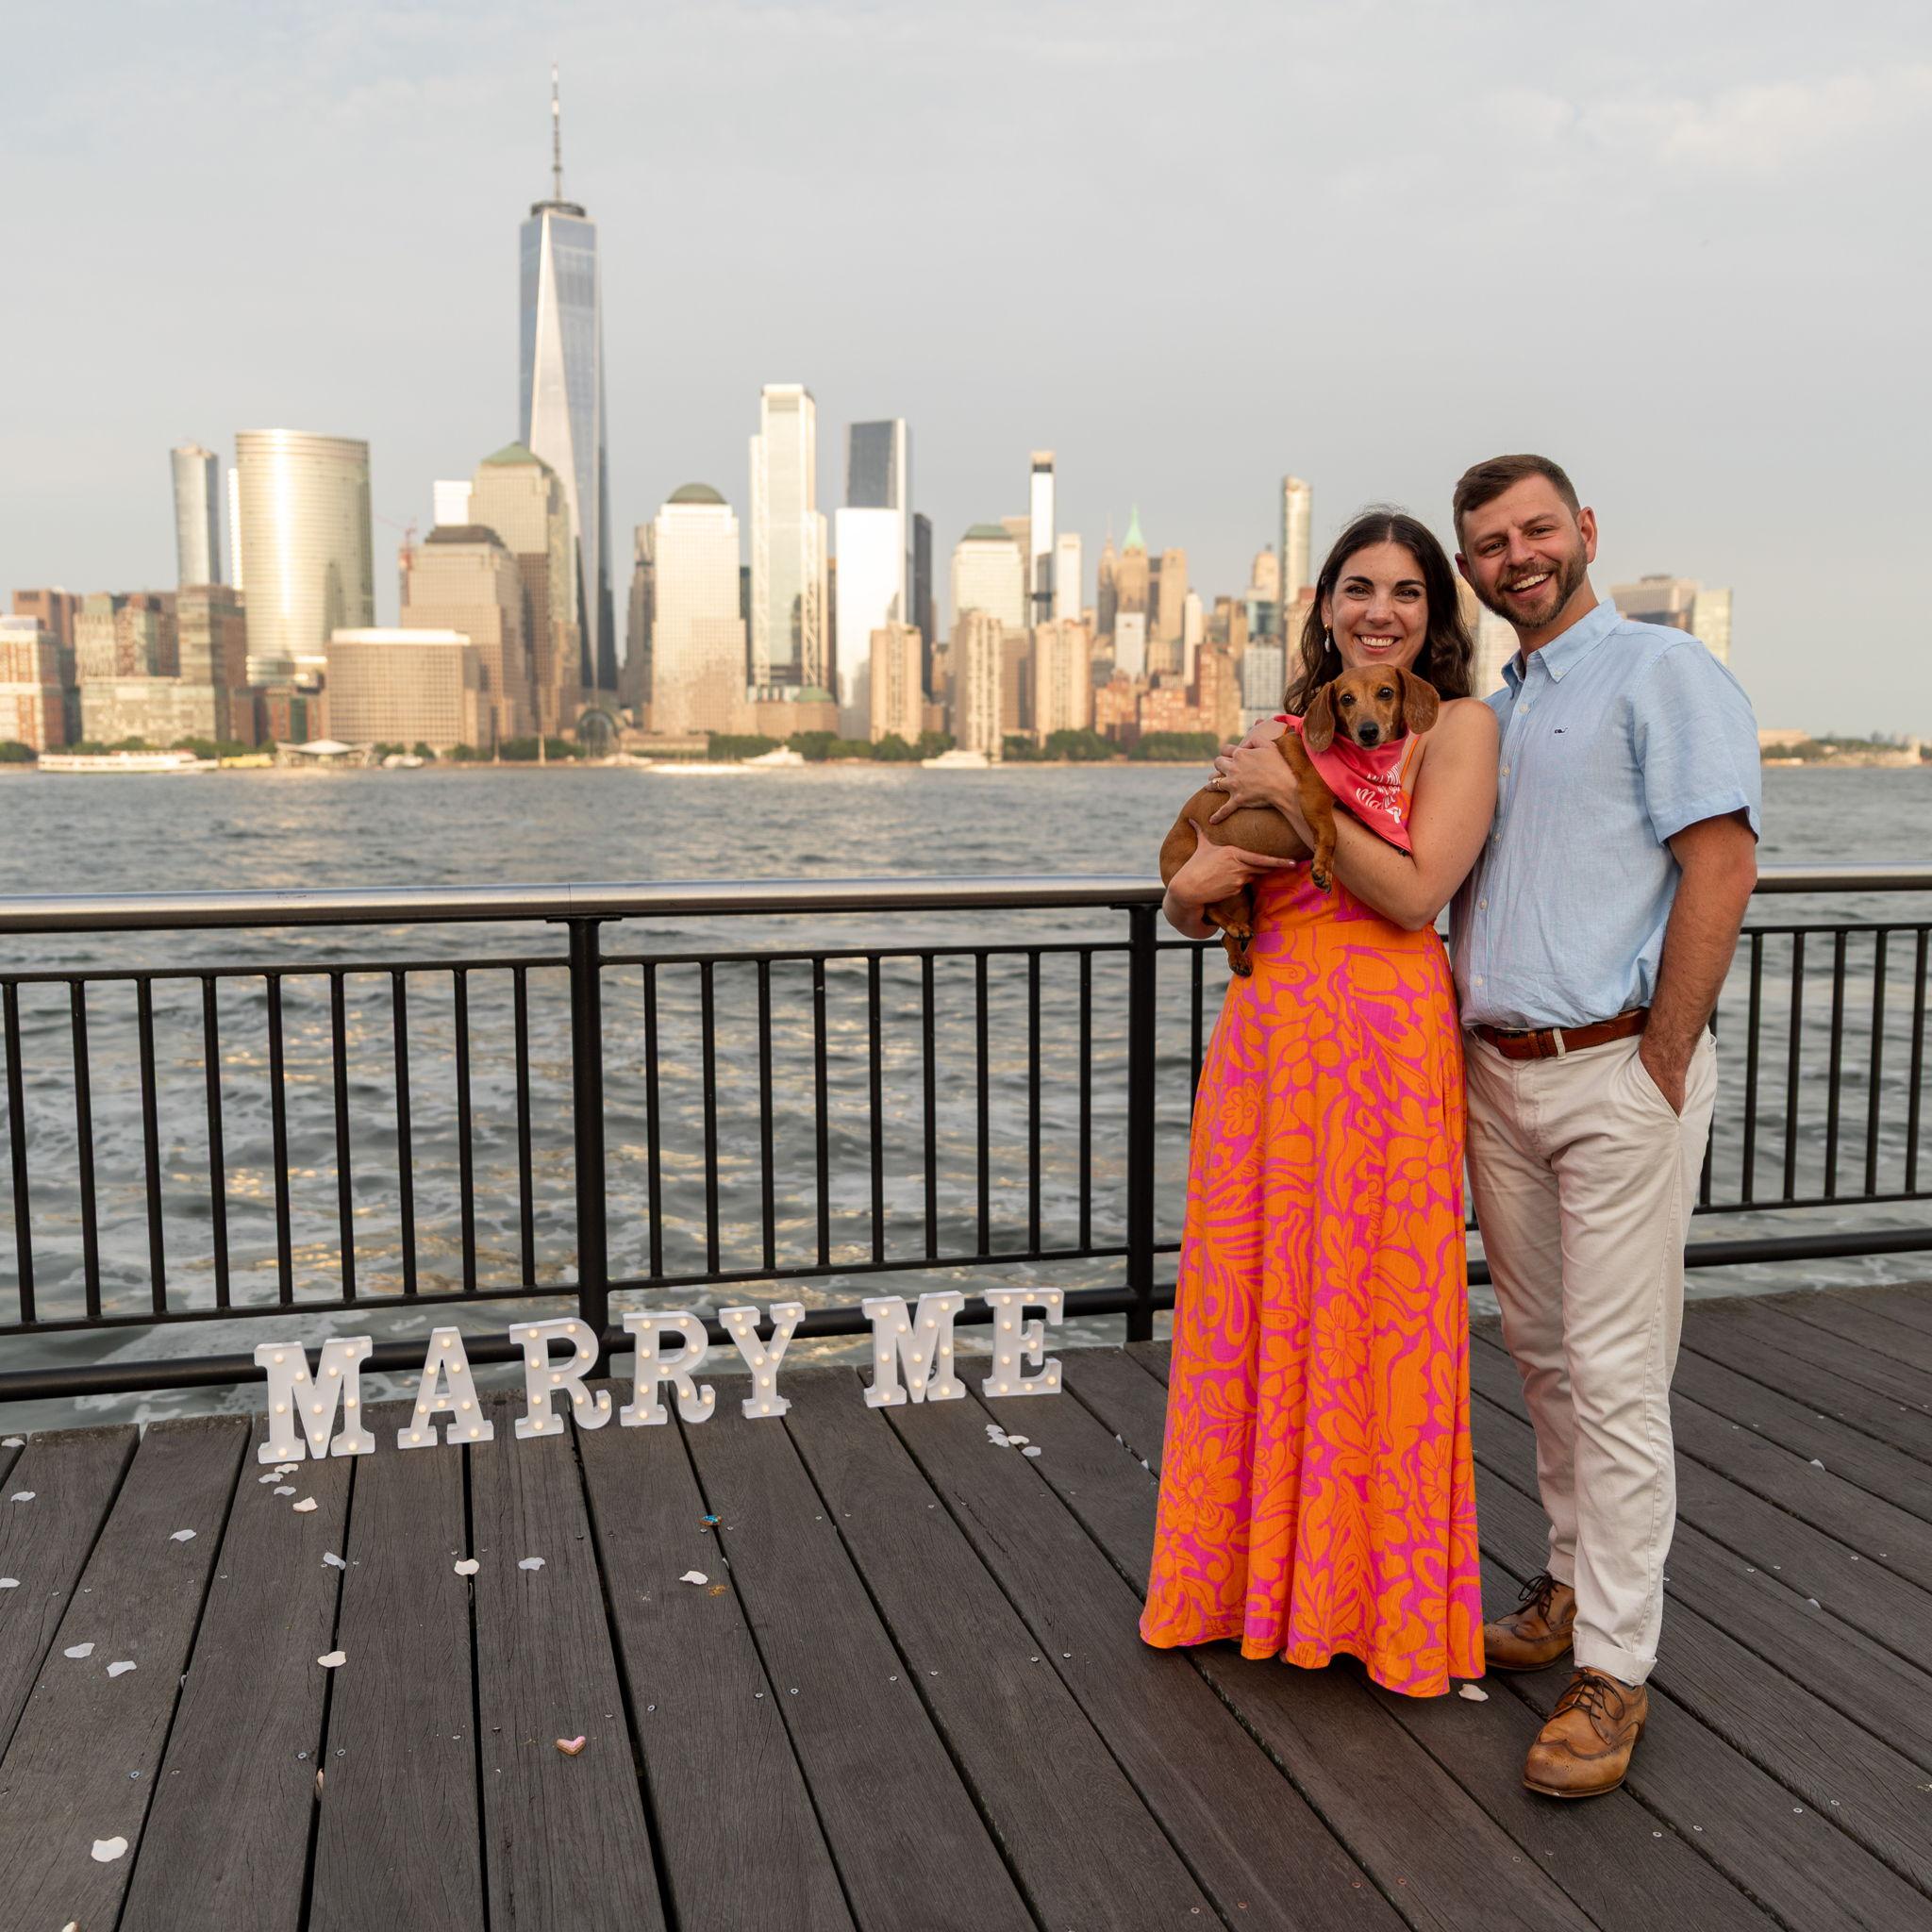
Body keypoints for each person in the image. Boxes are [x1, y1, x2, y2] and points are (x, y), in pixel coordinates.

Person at [1141, 509, 1498, 1695]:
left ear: (1435, 617)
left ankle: (1367, 1600)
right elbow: (1198, 896)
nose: (1379, 611)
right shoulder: (1280, 731)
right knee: (1253, 1301)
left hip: (1385, 1043)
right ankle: (1243, 1583)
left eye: (1405, 591)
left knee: (1370, 1305)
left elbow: (1411, 892)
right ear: (1324, 607)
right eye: (1357, 589)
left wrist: (1294, 785)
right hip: (1268, 1036)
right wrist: (1187, 891)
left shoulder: (1457, 733)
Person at [1449, 454, 1758, 1798]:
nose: (1515, 555)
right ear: (1473, 570)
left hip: (1614, 1074)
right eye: (1488, 543)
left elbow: (1722, 860)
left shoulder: (1663, 672)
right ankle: (1571, 1588)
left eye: (1534, 530)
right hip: (1496, 1078)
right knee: (1544, 1357)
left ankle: (1615, 1674)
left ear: (1584, 532)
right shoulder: (1493, 709)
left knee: (1621, 1381)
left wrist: (1663, 1061)